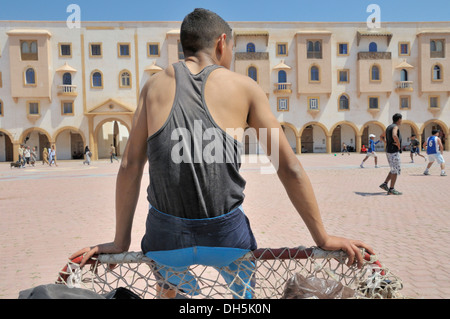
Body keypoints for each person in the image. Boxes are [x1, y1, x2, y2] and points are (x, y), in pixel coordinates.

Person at [71, 8, 373, 298]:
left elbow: (130, 164)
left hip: (165, 240)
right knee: (243, 285)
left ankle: (172, 289)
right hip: (227, 237)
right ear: (221, 43)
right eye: (233, 49)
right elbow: (288, 167)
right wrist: (323, 238)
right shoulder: (245, 87)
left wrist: (120, 241)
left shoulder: (152, 87)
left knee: (167, 279)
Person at [379, 113, 403, 195]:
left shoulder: (389, 127)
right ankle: (391, 189)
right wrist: (399, 145)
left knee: (393, 169)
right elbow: (394, 135)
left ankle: (385, 184)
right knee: (395, 170)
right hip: (394, 151)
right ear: (399, 119)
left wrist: (387, 142)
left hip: (389, 151)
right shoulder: (395, 127)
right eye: (401, 119)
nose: (401, 121)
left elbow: (381, 136)